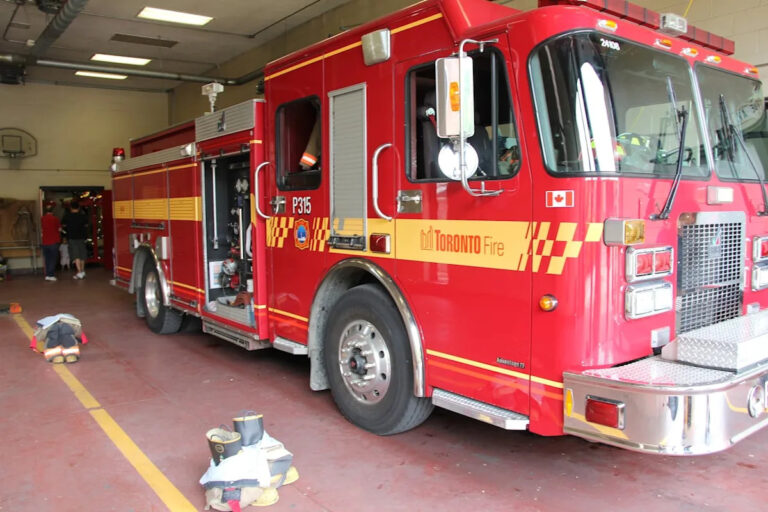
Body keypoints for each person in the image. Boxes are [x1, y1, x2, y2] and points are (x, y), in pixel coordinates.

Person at [62, 200, 88, 279]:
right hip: (82, 237)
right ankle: (83, 271)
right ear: (79, 207)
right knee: (82, 254)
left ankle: (79, 272)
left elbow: (63, 225)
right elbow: (86, 225)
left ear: (71, 207)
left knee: (76, 255)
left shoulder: (67, 216)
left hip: (72, 238)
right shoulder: (83, 216)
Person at [40, 202, 61, 281]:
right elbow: (59, 229)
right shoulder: (55, 219)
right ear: (53, 211)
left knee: (47, 259)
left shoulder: (42, 219)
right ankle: (51, 275)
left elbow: (42, 229)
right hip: (53, 241)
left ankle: (47, 274)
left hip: (45, 242)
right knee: (53, 259)